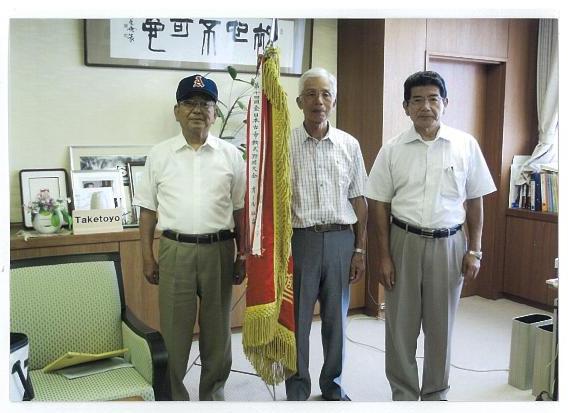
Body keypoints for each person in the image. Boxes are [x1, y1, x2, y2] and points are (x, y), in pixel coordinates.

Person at [365, 70, 496, 401]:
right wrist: (384, 256)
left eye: (433, 99)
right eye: (418, 100)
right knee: (401, 327)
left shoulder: (465, 145)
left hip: (450, 245)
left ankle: (436, 394)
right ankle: (404, 394)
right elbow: (379, 204)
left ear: (445, 103)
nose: (426, 106)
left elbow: (476, 200)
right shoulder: (392, 149)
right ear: (406, 107)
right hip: (403, 242)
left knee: (441, 327)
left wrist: (475, 250)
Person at [133, 74, 246, 401]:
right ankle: (175, 399)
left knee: (217, 332)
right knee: (174, 333)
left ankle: (213, 396)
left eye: (205, 104)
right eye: (189, 103)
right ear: (177, 111)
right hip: (175, 251)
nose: (197, 110)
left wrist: (242, 255)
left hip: (219, 251)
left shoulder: (231, 155)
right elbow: (147, 210)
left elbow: (240, 210)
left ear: (214, 113)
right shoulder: (159, 154)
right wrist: (147, 256)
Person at [285, 67, 368, 401]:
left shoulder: (349, 144)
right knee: (297, 321)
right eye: (311, 94)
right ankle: (297, 385)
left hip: (340, 241)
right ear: (299, 102)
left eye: (325, 94)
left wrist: (359, 250)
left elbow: (359, 199)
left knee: (336, 321)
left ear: (334, 100)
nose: (318, 101)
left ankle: (332, 384)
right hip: (300, 241)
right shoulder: (284, 144)